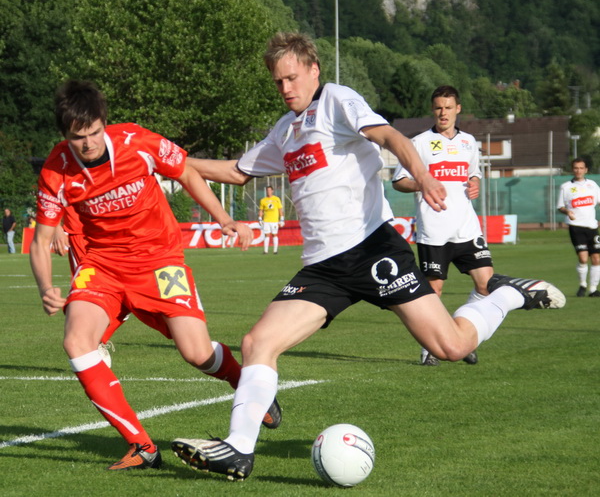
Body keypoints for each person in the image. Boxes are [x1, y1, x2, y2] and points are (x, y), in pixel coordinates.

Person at [172, 32, 565, 481]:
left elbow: (390, 136)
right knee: (256, 343)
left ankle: (505, 296)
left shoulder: (337, 100)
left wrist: (424, 176)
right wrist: (169, 159)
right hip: (324, 268)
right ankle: (239, 450)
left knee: (452, 347)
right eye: (278, 81)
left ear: (314, 70)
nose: (285, 88)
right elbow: (236, 171)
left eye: (292, 77)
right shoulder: (284, 130)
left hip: (373, 249)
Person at [29, 80, 280, 472]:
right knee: (77, 342)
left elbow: (187, 173)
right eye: (78, 137)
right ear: (65, 135)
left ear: (104, 122)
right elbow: (41, 240)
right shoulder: (56, 169)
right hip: (102, 266)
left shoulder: (137, 142)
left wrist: (224, 218)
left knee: (196, 353)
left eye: (94, 132)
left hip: (160, 261)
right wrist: (46, 287)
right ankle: (141, 446)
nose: (89, 143)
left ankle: (244, 383)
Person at [392, 85, 492, 366]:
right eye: (438, 107)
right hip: (434, 230)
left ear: (458, 109)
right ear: (432, 110)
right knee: (433, 292)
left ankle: (463, 335)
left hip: (467, 228)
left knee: (486, 285)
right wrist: (422, 184)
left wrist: (475, 183)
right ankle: (429, 349)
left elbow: (474, 173)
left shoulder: (469, 142)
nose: (443, 113)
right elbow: (398, 181)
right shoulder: (419, 143)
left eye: (448, 107)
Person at [557, 157, 600, 297]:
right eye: (576, 168)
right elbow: (560, 206)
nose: (578, 170)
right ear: (572, 169)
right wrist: (567, 212)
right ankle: (582, 285)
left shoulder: (593, 185)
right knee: (583, 258)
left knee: (596, 258)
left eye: (581, 168)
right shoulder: (566, 187)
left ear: (586, 170)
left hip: (592, 227)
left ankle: (593, 289)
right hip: (576, 227)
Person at [258, 185, 284, 254]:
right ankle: (265, 251)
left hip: (274, 220)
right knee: (267, 235)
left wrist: (282, 219)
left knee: (274, 234)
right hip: (266, 220)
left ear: (272, 191)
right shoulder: (263, 200)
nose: (268, 192)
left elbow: (280, 209)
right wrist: (260, 218)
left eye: (270, 190)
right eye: (267, 190)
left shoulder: (276, 199)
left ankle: (275, 251)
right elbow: (261, 210)